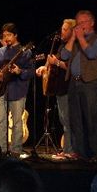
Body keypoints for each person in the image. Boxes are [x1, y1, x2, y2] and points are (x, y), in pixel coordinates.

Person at [0, 23, 34, 157]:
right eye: (4, 35)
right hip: (0, 92)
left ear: (16, 35)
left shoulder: (25, 52)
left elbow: (31, 72)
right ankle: (1, 150)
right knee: (0, 123)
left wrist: (19, 71)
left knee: (17, 123)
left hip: (18, 92)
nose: (7, 38)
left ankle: (16, 151)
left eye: (9, 35)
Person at [61, 10, 97, 162]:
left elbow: (91, 54)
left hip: (91, 83)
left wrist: (80, 38)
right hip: (74, 83)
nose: (80, 26)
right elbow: (64, 56)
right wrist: (72, 38)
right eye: (77, 23)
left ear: (92, 23)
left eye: (83, 22)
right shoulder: (76, 41)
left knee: (92, 119)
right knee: (75, 120)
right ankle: (80, 153)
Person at [36, 19, 76, 160]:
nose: (62, 32)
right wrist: (44, 67)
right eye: (62, 29)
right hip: (59, 88)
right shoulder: (62, 46)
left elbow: (71, 68)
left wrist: (56, 62)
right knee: (63, 120)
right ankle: (67, 149)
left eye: (65, 29)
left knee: (68, 120)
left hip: (68, 88)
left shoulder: (75, 46)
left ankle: (70, 151)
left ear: (72, 31)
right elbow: (53, 62)